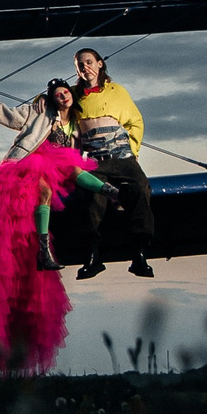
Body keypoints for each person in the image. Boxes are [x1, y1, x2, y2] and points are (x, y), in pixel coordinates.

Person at [0, 78, 113, 271]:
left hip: (61, 167)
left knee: (75, 168)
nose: (63, 96)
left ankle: (112, 191)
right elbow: (9, 116)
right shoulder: (39, 111)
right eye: (58, 95)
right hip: (33, 161)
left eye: (66, 92)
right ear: (52, 99)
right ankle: (43, 251)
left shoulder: (76, 123)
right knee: (45, 193)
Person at [67, 47, 155, 279]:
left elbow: (135, 121)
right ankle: (93, 256)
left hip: (122, 156)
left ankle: (140, 253)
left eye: (88, 62)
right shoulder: (72, 94)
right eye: (79, 64)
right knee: (91, 196)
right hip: (95, 159)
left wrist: (133, 150)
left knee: (141, 188)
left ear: (99, 64)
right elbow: (50, 100)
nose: (84, 67)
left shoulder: (117, 91)